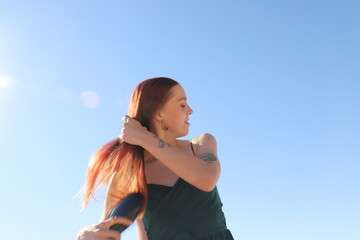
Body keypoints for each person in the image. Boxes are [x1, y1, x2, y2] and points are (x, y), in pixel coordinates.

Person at [77, 77, 234, 240]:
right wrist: (84, 236)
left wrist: (144, 138)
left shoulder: (201, 144)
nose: (190, 110)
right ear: (159, 114)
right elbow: (106, 232)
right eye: (182, 105)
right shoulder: (131, 173)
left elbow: (206, 178)